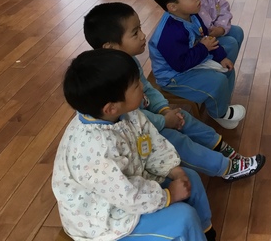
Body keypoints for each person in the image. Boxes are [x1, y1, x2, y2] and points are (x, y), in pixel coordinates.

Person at [83, 2, 265, 181]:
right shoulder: (108, 81)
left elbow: (147, 89)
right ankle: (226, 168)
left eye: (140, 28)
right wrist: (164, 121)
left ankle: (221, 147)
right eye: (135, 33)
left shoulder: (129, 61)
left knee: (183, 118)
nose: (143, 35)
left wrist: (164, 110)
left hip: (150, 119)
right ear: (110, 47)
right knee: (176, 141)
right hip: (136, 134)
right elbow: (132, 118)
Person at [52, 49, 217, 241]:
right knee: (183, 218)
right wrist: (169, 195)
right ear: (111, 107)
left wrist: (173, 169)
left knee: (191, 179)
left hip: (134, 185)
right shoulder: (93, 148)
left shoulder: (126, 112)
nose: (142, 85)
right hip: (105, 218)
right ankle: (192, 232)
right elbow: (126, 194)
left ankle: (205, 232)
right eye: (136, 85)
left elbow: (153, 143)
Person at [148, 0, 246, 129]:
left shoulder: (192, 14)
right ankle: (219, 113)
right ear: (172, 7)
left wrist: (221, 56)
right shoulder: (169, 34)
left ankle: (219, 99)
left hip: (191, 58)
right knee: (218, 81)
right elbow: (180, 64)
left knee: (226, 65)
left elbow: (206, 36)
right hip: (174, 76)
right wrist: (203, 48)